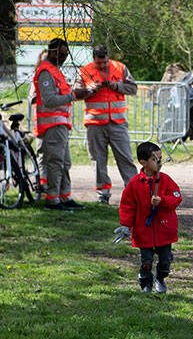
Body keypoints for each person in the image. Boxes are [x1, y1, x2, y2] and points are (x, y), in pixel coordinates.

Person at [74, 45, 139, 204]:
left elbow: (133, 88)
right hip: (95, 123)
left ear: (108, 57)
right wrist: (91, 89)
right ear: (93, 59)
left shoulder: (120, 67)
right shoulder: (84, 71)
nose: (102, 66)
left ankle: (134, 193)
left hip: (117, 122)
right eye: (98, 63)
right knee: (98, 160)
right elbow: (75, 93)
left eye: (104, 63)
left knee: (126, 158)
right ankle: (103, 194)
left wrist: (116, 86)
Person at [116, 141, 183, 294]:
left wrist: (163, 201)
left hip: (164, 230)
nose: (160, 162)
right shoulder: (134, 184)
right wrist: (126, 225)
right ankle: (145, 282)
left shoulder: (166, 180)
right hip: (143, 231)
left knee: (165, 260)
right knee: (146, 261)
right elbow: (128, 206)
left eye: (161, 158)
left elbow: (177, 197)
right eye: (155, 159)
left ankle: (160, 277)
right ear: (143, 162)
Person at [33, 38, 92, 210]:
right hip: (52, 125)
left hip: (60, 124)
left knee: (64, 163)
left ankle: (65, 196)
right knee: (56, 162)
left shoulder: (54, 71)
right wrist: (74, 95)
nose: (65, 58)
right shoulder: (46, 72)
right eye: (63, 54)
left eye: (66, 54)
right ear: (53, 52)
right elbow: (49, 99)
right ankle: (52, 200)